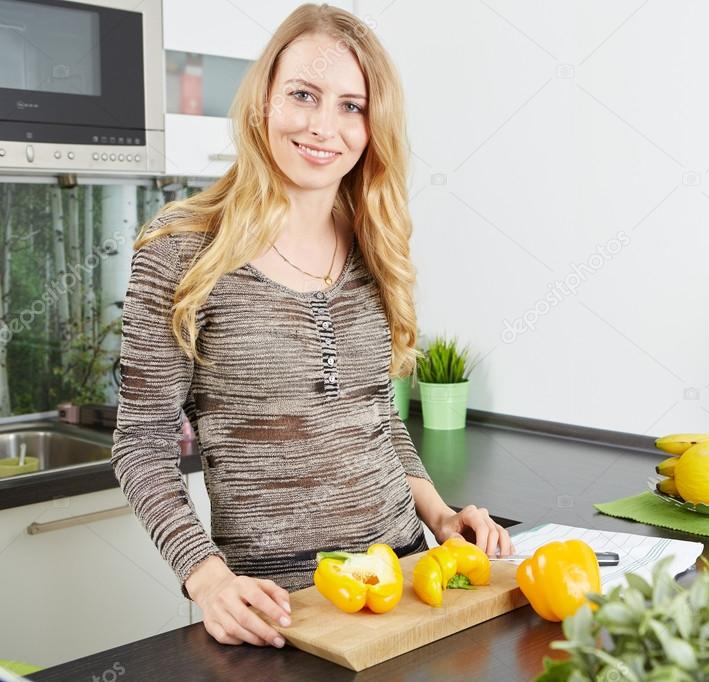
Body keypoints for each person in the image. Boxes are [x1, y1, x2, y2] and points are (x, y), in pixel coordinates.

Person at [111, 4, 513, 651]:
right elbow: (140, 446)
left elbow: (377, 417)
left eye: (351, 106)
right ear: (262, 100)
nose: (324, 126)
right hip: (279, 611)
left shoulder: (375, 246)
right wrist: (209, 581)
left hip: (409, 582)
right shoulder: (180, 252)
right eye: (304, 94)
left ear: (372, 125)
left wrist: (440, 514)